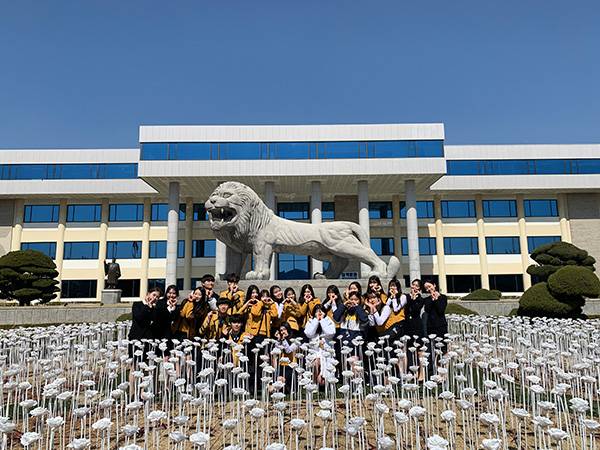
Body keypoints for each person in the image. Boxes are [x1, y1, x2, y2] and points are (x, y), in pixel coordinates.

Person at [304, 304, 337, 386]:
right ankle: (313, 381)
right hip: (315, 352)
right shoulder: (311, 321)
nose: (319, 313)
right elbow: (309, 333)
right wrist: (316, 320)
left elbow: (330, 333)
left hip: (326, 353)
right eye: (317, 312)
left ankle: (320, 379)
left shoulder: (329, 321)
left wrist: (322, 320)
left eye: (321, 311)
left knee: (322, 382)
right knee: (315, 362)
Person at [128, 287, 164, 359]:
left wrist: (151, 308)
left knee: (146, 360)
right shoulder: (137, 305)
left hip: (148, 337)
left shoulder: (154, 309)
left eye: (157, 297)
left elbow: (155, 319)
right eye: (154, 295)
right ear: (148, 294)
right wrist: (146, 306)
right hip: (136, 336)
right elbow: (139, 316)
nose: (155, 298)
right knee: (135, 360)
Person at [423, 280, 448, 373]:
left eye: (430, 286)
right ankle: (436, 370)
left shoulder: (443, 298)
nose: (429, 289)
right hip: (431, 327)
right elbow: (427, 310)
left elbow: (441, 311)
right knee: (435, 350)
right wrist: (432, 300)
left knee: (443, 349)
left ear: (434, 285)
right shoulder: (427, 300)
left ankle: (444, 372)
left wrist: (436, 300)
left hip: (441, 326)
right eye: (427, 288)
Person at [405, 279, 425, 381]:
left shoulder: (421, 299)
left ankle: (421, 373)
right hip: (408, 326)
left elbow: (415, 310)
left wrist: (413, 299)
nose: (415, 287)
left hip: (417, 326)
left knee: (419, 351)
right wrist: (411, 299)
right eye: (413, 285)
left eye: (417, 286)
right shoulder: (406, 297)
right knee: (410, 350)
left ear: (420, 288)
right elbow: (406, 310)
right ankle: (415, 371)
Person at [272, 321, 299, 392]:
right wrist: (278, 340)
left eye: (284, 329)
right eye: (281, 330)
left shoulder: (295, 341)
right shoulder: (281, 341)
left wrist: (284, 340)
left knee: (280, 379)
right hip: (281, 366)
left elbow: (288, 350)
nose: (283, 332)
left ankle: (287, 387)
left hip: (290, 367)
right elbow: (276, 351)